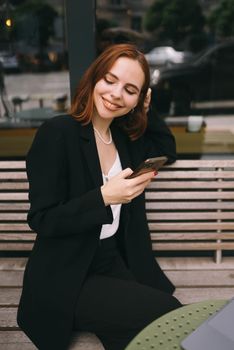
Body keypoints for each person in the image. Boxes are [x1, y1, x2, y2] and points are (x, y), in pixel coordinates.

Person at [17, 43, 181, 350]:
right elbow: (43, 219)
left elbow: (166, 148)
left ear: (136, 101)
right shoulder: (59, 132)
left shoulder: (123, 138)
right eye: (110, 80)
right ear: (94, 79)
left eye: (130, 90)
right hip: (68, 274)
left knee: (144, 336)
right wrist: (104, 197)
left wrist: (147, 106)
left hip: (110, 260)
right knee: (168, 315)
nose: (117, 94)